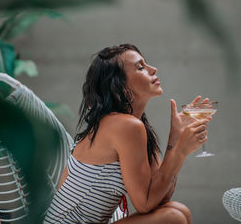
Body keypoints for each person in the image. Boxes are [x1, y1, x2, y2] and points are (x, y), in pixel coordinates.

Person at [44, 44, 211, 224]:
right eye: (141, 67)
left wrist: (175, 138)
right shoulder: (124, 126)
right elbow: (145, 204)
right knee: (173, 217)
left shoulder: (137, 126)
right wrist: (180, 152)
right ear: (120, 87)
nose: (153, 69)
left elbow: (161, 199)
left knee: (178, 211)